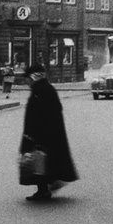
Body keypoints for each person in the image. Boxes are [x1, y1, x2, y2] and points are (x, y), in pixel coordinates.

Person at [20, 63, 78, 201]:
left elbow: (38, 114)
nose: (26, 82)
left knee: (39, 160)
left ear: (34, 77)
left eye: (27, 79)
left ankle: (43, 190)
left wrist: (32, 133)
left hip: (41, 133)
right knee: (45, 161)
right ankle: (49, 184)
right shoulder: (45, 88)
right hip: (49, 133)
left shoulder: (40, 90)